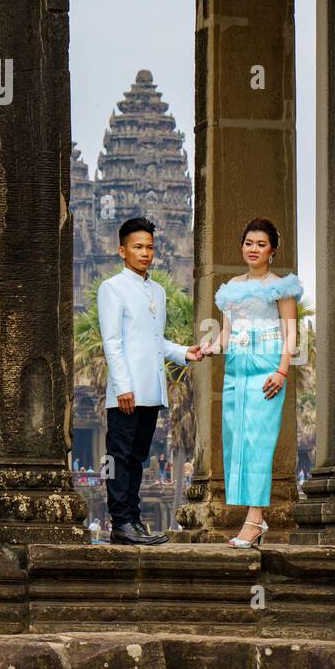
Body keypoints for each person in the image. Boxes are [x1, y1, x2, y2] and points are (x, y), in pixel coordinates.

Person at [97, 216, 204, 546]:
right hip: (126, 391)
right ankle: (120, 521)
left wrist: (186, 351)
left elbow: (156, 341)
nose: (145, 253)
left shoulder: (157, 290)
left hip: (151, 389)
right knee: (118, 457)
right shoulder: (112, 288)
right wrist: (123, 385)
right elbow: (112, 341)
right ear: (122, 250)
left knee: (138, 457)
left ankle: (133, 520)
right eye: (137, 247)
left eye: (149, 247)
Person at [213, 218, 303, 548]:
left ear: (272, 251)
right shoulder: (230, 289)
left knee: (259, 441)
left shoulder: (282, 287)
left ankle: (254, 520)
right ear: (242, 247)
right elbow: (225, 333)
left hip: (266, 367)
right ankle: (252, 517)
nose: (254, 249)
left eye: (261, 244)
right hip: (236, 367)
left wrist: (282, 371)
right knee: (237, 439)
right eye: (249, 243)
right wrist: (207, 348)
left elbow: (291, 333)